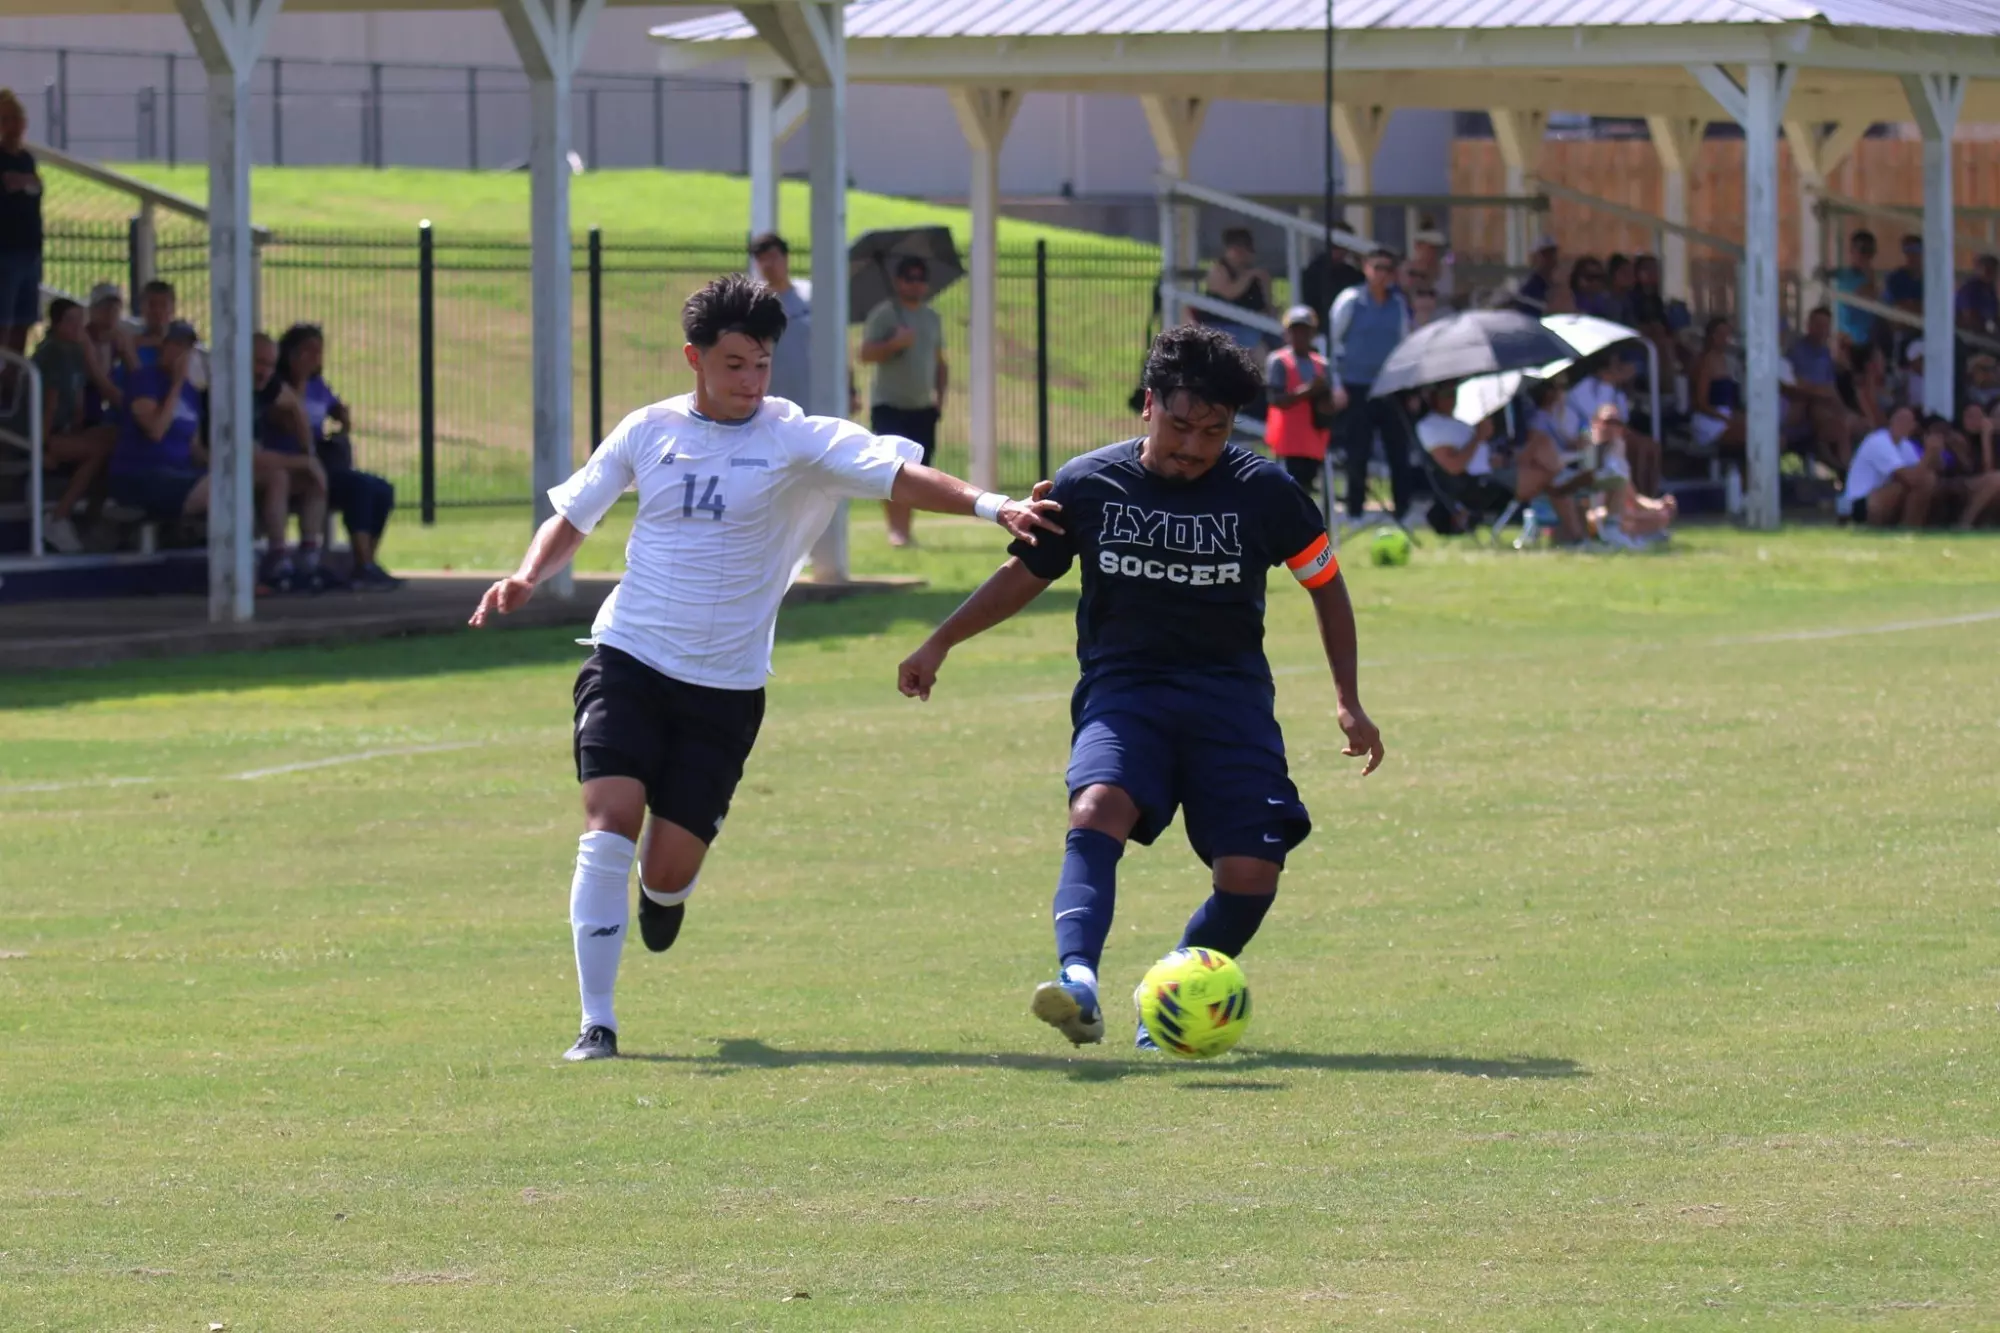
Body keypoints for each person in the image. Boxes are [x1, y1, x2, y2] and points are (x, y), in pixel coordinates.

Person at [466, 274, 1061, 1062]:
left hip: (726, 687)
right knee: (609, 822)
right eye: (735, 364)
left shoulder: (796, 438)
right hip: (630, 656)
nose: (751, 381)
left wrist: (994, 506)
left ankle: (661, 895)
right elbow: (575, 513)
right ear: (694, 358)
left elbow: (894, 473)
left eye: (763, 364)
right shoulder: (648, 430)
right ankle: (597, 1023)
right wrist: (526, 575)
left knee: (668, 870)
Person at [893, 324, 1384, 1051]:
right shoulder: (1089, 483)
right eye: (1181, 425)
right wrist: (940, 641)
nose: (1193, 446)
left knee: (1251, 871)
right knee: (1096, 808)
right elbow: (1025, 574)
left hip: (1230, 699)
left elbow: (1327, 586)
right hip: (1126, 691)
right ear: (1148, 405)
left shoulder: (1266, 491)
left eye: (1213, 432)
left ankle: (1169, 998)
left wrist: (1348, 698)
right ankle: (1078, 982)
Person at [107, 320, 294, 565]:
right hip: (142, 474)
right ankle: (235, 567)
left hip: (181, 473)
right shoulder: (145, 380)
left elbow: (193, 448)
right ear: (164, 347)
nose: (181, 354)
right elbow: (155, 430)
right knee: (223, 488)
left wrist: (227, 465)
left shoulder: (191, 393)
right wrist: (175, 384)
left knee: (272, 476)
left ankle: (278, 557)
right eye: (175, 345)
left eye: (186, 348)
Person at [273, 322, 401, 589]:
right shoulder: (279, 386)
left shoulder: (318, 385)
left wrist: (342, 417)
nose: (315, 357)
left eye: (319, 351)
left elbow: (335, 408)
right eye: (307, 351)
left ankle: (365, 562)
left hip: (324, 460)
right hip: (297, 463)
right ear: (290, 353)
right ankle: (363, 564)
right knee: (360, 488)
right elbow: (290, 427)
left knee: (382, 489)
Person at [859, 254, 947, 547]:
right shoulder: (885, 314)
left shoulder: (931, 318)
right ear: (898, 281)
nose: (915, 283)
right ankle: (895, 530)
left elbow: (940, 362)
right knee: (891, 468)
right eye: (909, 277)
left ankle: (905, 529)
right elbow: (866, 354)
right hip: (889, 405)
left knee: (917, 470)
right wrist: (894, 343)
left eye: (920, 278)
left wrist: (940, 400)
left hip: (922, 407)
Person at [1329, 247, 1417, 523]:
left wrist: (1409, 388)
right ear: (1366, 268)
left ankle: (1402, 510)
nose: (1382, 274)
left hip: (1390, 388)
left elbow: (1406, 347)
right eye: (1377, 267)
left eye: (1387, 269)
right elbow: (1331, 344)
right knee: (1359, 450)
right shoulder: (1350, 301)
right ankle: (1355, 510)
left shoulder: (1398, 305)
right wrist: (1336, 384)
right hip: (1355, 386)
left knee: (1398, 451)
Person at [30, 298, 119, 553]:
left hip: (66, 430)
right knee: (96, 451)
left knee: (113, 438)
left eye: (80, 320)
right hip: (45, 432)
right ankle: (58, 518)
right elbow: (49, 404)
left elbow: (79, 401)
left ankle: (93, 518)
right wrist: (43, 446)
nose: (77, 326)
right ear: (56, 323)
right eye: (70, 320)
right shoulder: (54, 352)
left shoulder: (77, 351)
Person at [249, 331, 335, 592]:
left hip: (255, 466)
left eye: (269, 365)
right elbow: (246, 457)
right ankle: (277, 557)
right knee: (279, 476)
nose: (264, 371)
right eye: (258, 362)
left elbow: (296, 407)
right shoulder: (228, 391)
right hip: (213, 469)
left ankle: (309, 558)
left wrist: (307, 451)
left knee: (309, 479)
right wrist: (305, 462)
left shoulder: (267, 387)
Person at [1564, 353, 1662, 495]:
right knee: (1639, 448)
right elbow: (1594, 416)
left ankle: (1650, 492)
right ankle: (1639, 493)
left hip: (1614, 431)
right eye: (1616, 366)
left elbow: (1622, 420)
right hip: (1591, 432)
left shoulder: (1617, 391)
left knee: (1652, 446)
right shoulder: (1584, 386)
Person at [1265, 304, 1336, 497]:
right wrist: (1309, 390)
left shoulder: (1322, 364)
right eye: (1295, 330)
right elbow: (1276, 399)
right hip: (1288, 442)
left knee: (1306, 494)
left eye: (1305, 331)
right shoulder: (1278, 361)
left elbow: (1329, 405)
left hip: (1314, 442)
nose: (1300, 335)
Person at [1784, 305, 1861, 473]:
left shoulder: (1826, 353)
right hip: (1805, 409)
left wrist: (1844, 410)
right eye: (1818, 325)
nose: (1822, 330)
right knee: (1841, 427)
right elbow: (1796, 386)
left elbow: (1832, 389)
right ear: (1809, 326)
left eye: (1826, 326)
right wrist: (1823, 393)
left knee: (1861, 424)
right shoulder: (1797, 351)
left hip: (1828, 406)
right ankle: (1847, 474)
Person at [0, 89, 41, 357]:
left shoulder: (26, 159)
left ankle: (14, 386)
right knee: (4, 320)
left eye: (17, 118)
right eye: (7, 119)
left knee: (24, 320)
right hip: (6, 251)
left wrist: (23, 182)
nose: (14, 125)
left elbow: (32, 186)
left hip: (31, 250)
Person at [749, 232, 811, 409]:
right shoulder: (754, 305)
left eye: (773, 257)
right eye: (762, 259)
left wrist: (849, 387)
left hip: (812, 392)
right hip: (772, 398)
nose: (768, 265)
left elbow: (832, 342)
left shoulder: (810, 296)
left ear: (786, 258)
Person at [1843, 405, 1930, 526]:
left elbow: (1919, 474)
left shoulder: (1906, 445)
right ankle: (1906, 526)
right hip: (1860, 502)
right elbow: (1912, 479)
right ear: (1891, 421)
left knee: (1928, 481)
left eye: (1907, 421)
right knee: (1903, 487)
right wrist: (1929, 455)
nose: (1902, 424)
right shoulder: (1879, 441)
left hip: (1880, 496)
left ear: (1913, 426)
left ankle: (1912, 526)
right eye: (1899, 419)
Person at [1203, 226, 1272, 346]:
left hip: (1254, 325)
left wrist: (1265, 283)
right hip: (1223, 326)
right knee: (1259, 350)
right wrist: (1248, 276)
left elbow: (1267, 305)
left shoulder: (1256, 274)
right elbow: (1230, 293)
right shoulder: (1218, 270)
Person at [1690, 317, 1745, 454]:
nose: (1724, 338)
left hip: (1728, 417)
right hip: (1710, 421)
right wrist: (1726, 419)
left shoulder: (1729, 362)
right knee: (1751, 435)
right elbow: (1700, 403)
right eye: (1719, 333)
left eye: (1726, 334)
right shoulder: (1704, 363)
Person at [1830, 230, 1879, 351]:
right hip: (1843, 340)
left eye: (1869, 251)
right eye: (1861, 250)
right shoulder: (1842, 275)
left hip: (1867, 341)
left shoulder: (1875, 278)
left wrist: (1869, 276)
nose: (1864, 256)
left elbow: (1870, 296)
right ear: (1852, 250)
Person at [1502, 236, 1561, 316]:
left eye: (1551, 254)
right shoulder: (1529, 286)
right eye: (1544, 255)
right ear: (1535, 258)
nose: (1549, 259)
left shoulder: (1558, 285)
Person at [1956, 254, 1998, 337]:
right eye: (1987, 268)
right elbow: (1968, 317)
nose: (1990, 272)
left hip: (1986, 334)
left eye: (1993, 269)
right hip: (1967, 334)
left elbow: (1994, 315)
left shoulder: (1990, 289)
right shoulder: (1970, 288)